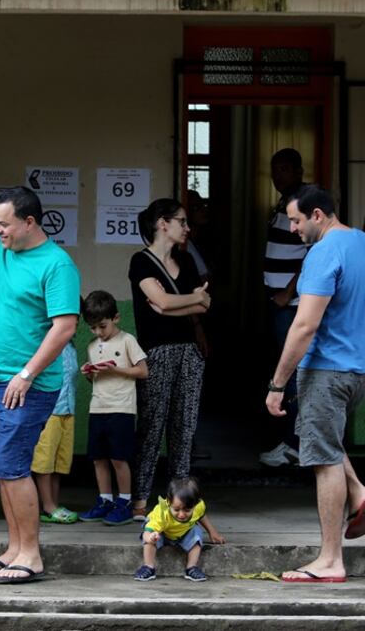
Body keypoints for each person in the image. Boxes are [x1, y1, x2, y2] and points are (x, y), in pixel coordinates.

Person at [265, 185, 365, 583]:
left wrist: (277, 382)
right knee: (326, 441)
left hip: (326, 370)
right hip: (360, 370)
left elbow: (305, 324)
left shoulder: (323, 252)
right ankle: (360, 492)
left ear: (318, 215)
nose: (293, 229)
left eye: (296, 220)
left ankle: (331, 559)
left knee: (322, 461)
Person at [0, 186, 80, 584]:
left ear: (29, 222)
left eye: (4, 224)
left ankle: (31, 554)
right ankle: (13, 548)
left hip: (29, 384)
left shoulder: (56, 265)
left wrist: (26, 374)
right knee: (3, 469)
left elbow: (65, 327)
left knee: (14, 467)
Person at [128, 199, 211, 521]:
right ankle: (139, 501)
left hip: (189, 352)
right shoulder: (141, 262)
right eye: (182, 221)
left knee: (184, 428)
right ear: (163, 223)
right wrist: (192, 298)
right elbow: (160, 300)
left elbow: (201, 308)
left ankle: (181, 503)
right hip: (156, 352)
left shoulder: (187, 260)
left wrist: (174, 305)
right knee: (151, 426)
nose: (187, 228)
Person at [259, 148, 315, 467]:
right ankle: (293, 442)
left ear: (298, 170)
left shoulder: (303, 203)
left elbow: (313, 252)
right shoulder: (284, 203)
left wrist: (287, 292)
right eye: (274, 169)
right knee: (289, 369)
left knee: (292, 372)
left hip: (292, 304)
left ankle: (295, 445)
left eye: (284, 169)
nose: (278, 175)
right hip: (282, 303)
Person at [78, 290, 148, 526]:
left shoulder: (127, 340)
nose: (98, 332)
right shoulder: (91, 345)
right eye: (93, 328)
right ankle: (105, 500)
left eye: (103, 326)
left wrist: (114, 369)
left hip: (122, 409)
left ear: (116, 318)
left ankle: (125, 502)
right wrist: (90, 372)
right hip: (97, 407)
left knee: (119, 458)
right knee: (98, 458)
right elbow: (95, 379)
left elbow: (142, 371)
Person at [133, 477, 224, 583]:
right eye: (176, 509)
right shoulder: (162, 513)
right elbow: (147, 532)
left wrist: (212, 532)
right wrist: (150, 537)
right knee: (149, 542)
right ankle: (148, 566)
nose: (181, 514)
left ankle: (191, 567)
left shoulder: (199, 506)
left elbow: (201, 516)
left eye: (187, 510)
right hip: (161, 532)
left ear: (196, 504)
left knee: (196, 532)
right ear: (169, 502)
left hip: (183, 531)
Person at [33, 341, 81, 524]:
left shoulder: (70, 346)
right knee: (44, 460)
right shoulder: (45, 342)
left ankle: (53, 504)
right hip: (50, 409)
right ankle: (48, 505)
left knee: (60, 461)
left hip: (68, 408)